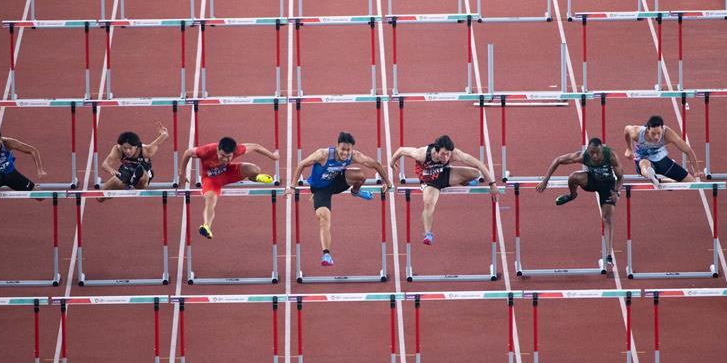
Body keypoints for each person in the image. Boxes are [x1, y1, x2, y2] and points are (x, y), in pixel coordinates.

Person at [286, 132, 392, 266]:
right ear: (337, 146)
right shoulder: (323, 154)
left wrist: (387, 182)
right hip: (320, 189)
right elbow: (301, 164)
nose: (345, 153)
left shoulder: (354, 155)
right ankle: (326, 254)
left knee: (360, 175)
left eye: (348, 150)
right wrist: (292, 187)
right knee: (324, 218)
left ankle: (356, 191)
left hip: (337, 181)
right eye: (342, 149)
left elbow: (375, 164)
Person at [390, 135, 499, 245]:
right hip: (429, 180)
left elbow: (479, 164)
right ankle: (428, 233)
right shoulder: (422, 154)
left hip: (444, 173)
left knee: (476, 173)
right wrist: (392, 161)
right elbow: (401, 150)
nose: (446, 157)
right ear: (436, 152)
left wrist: (492, 184)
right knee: (429, 204)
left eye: (448, 154)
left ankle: (463, 182)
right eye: (443, 154)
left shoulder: (455, 153)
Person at [536, 138, 623, 267]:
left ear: (602, 150)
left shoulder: (610, 155)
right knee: (573, 177)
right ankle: (572, 195)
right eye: (592, 152)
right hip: (591, 181)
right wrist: (545, 180)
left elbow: (620, 177)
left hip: (607, 185)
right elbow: (558, 160)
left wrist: (617, 192)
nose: (594, 156)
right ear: (588, 150)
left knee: (607, 218)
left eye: (597, 153)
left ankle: (609, 255)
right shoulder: (583, 155)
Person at [179, 136, 278, 239]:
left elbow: (255, 147)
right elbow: (188, 153)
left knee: (254, 169)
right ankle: (206, 226)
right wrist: (181, 172)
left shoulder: (237, 149)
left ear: (233, 152)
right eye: (222, 156)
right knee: (210, 200)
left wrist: (273, 156)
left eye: (228, 157)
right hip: (211, 179)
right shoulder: (206, 150)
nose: (225, 159)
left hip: (228, 172)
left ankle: (255, 177)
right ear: (217, 150)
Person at [623, 115, 702, 186]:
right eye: (653, 134)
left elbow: (687, 150)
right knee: (644, 164)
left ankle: (661, 181)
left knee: (692, 182)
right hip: (642, 159)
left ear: (662, 129)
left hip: (660, 160)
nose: (656, 137)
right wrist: (629, 149)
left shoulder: (668, 134)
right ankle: (650, 175)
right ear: (648, 130)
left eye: (658, 133)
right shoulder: (636, 133)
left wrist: (696, 170)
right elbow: (626, 129)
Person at [100, 122, 170, 194]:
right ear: (121, 146)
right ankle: (128, 181)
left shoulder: (146, 151)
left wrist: (164, 134)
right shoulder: (118, 150)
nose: (128, 151)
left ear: (136, 147)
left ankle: (135, 177)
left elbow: (159, 141)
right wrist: (110, 169)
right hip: (126, 171)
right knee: (100, 197)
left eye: (130, 148)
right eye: (125, 148)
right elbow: (105, 164)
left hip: (144, 173)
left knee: (141, 182)